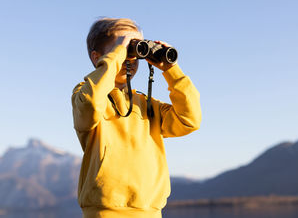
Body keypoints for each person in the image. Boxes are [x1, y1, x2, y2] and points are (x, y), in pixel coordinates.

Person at [71, 18, 202, 218]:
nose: (129, 59)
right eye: (124, 51)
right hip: (104, 212)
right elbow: (90, 105)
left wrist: (171, 70)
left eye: (134, 51)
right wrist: (117, 55)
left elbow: (190, 119)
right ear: (97, 57)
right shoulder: (85, 94)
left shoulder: (148, 105)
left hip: (150, 212)